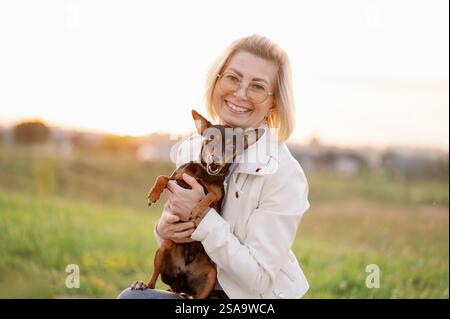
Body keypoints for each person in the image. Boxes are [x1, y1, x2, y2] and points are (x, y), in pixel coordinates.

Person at [118, 34, 310, 299]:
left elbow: (259, 281)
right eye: (232, 78)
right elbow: (177, 240)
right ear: (217, 81)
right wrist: (162, 230)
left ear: (273, 102)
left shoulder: (284, 174)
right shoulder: (192, 148)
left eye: (257, 86)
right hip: (197, 291)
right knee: (134, 299)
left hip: (252, 299)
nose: (240, 93)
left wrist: (204, 218)